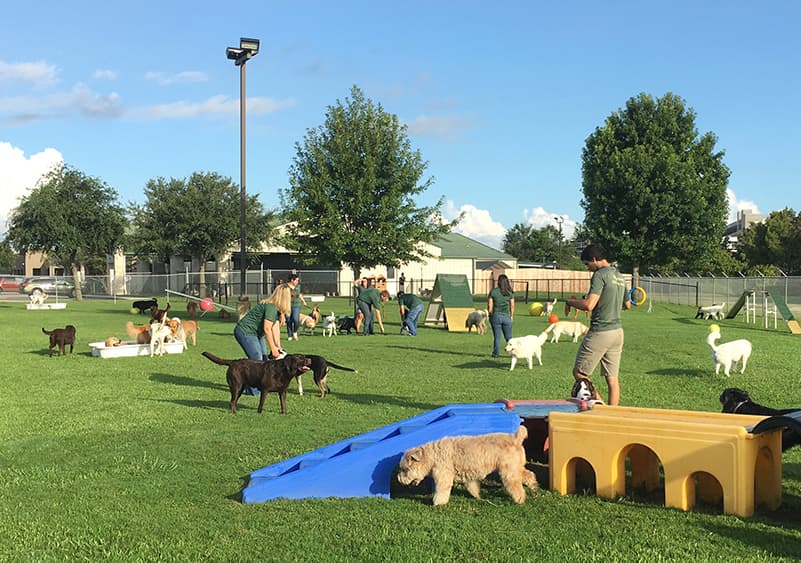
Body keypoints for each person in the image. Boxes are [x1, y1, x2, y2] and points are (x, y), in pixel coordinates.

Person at [565, 243, 631, 406]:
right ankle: (612, 415)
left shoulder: (600, 275)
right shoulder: (619, 276)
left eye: (587, 264)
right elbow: (628, 305)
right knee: (612, 379)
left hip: (600, 332)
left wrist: (570, 302)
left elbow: (589, 305)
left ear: (594, 259)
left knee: (579, 372)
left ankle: (599, 404)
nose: (588, 269)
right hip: (617, 332)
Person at [233, 283, 291, 395]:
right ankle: (252, 391)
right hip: (245, 331)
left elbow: (275, 327)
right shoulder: (271, 307)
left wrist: (277, 346)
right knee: (256, 359)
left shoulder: (276, 309)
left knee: (264, 360)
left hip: (257, 334)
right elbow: (267, 328)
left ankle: (261, 386)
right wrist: (272, 348)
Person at [488, 274, 515, 358]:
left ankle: (495, 354)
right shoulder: (509, 293)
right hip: (506, 316)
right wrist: (511, 316)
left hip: (496, 316)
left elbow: (490, 306)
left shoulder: (493, 292)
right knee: (509, 338)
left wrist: (490, 314)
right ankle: (513, 352)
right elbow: (512, 306)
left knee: (497, 337)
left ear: (498, 282)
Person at [286, 273, 308, 341]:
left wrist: (303, 301)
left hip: (296, 305)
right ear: (292, 280)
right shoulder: (286, 287)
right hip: (288, 305)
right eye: (296, 280)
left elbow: (299, 294)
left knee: (296, 320)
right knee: (289, 320)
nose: (297, 282)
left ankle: (295, 332)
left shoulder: (298, 286)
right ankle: (289, 335)